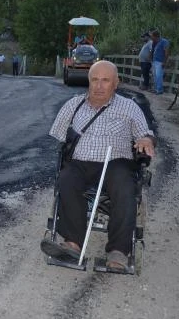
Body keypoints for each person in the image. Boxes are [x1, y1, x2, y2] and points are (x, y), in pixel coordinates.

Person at [41, 60, 156, 270]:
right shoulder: (73, 105)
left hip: (115, 162)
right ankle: (72, 244)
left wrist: (146, 139)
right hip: (80, 163)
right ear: (88, 81)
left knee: (124, 185)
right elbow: (59, 137)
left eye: (105, 80)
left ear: (116, 83)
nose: (99, 86)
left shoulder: (128, 107)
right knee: (66, 180)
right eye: (95, 80)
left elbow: (145, 133)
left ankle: (119, 251)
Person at [150, 30, 170, 95]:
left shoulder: (164, 41)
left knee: (159, 76)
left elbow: (166, 52)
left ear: (156, 36)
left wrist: (164, 62)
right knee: (155, 76)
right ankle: (156, 89)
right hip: (154, 61)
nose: (151, 38)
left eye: (152, 36)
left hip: (160, 62)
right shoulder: (156, 43)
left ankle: (160, 90)